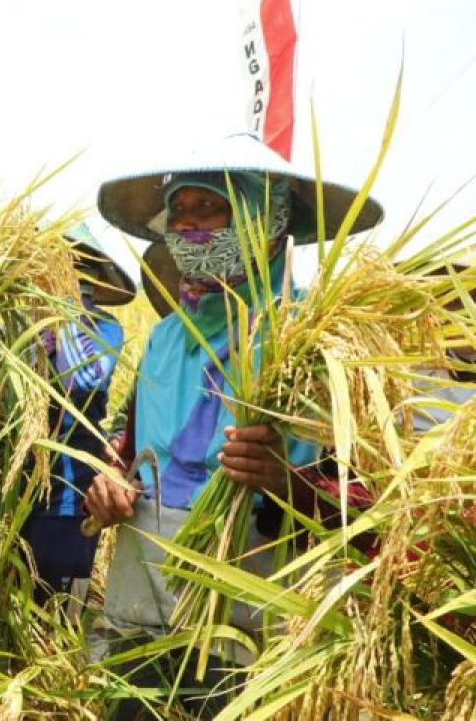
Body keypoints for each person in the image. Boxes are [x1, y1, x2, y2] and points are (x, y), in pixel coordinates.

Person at [86, 133, 383, 719]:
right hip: (143, 602)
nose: (192, 225)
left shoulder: (316, 340)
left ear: (264, 218)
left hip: (256, 616)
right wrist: (108, 490)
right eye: (181, 210)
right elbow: (129, 453)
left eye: (212, 208)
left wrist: (285, 482)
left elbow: (372, 504)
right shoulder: (166, 338)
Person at [23, 223, 134, 607]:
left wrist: (66, 308)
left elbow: (82, 379)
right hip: (17, 495)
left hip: (70, 499)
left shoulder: (104, 328)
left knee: (60, 610)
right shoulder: (25, 329)